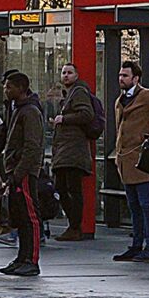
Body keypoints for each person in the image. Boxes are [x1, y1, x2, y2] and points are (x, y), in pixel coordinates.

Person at [111, 60, 149, 263]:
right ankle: (137, 245)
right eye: (120, 75)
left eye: (125, 76)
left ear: (135, 78)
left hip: (142, 158)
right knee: (133, 205)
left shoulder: (146, 95)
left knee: (147, 204)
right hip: (125, 158)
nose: (121, 79)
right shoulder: (120, 100)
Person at [0, 69, 48, 276]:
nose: (5, 90)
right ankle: (22, 257)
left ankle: (32, 260)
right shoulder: (15, 108)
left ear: (21, 88)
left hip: (24, 171)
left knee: (30, 216)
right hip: (14, 169)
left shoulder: (30, 112)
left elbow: (32, 146)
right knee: (20, 216)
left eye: (9, 86)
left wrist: (19, 172)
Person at [49, 62, 102, 241]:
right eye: (63, 72)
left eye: (70, 73)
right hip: (66, 150)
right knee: (63, 187)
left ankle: (75, 226)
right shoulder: (69, 95)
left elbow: (87, 114)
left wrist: (64, 118)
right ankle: (73, 225)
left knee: (71, 188)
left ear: (76, 76)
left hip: (73, 150)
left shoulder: (78, 92)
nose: (66, 76)